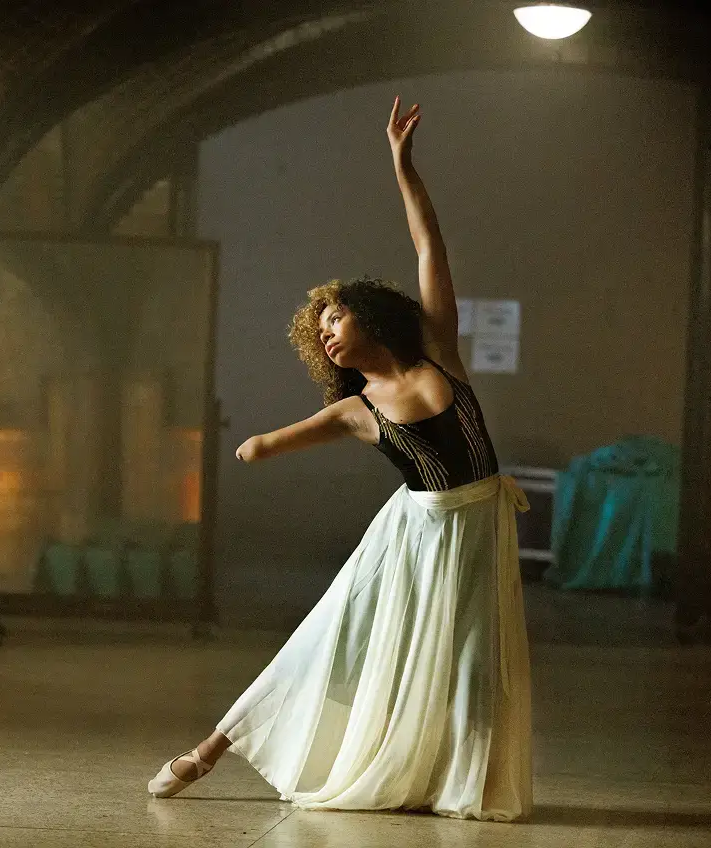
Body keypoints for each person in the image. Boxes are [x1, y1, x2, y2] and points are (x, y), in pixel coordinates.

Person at [146, 97, 533, 822]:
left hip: (479, 529)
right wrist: (255, 445)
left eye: (336, 318)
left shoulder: (438, 354)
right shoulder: (355, 411)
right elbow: (269, 445)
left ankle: (465, 781)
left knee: (475, 665)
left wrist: (402, 165)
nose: (326, 334)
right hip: (412, 537)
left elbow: (430, 247)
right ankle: (209, 750)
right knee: (332, 637)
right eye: (318, 330)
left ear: (372, 318)